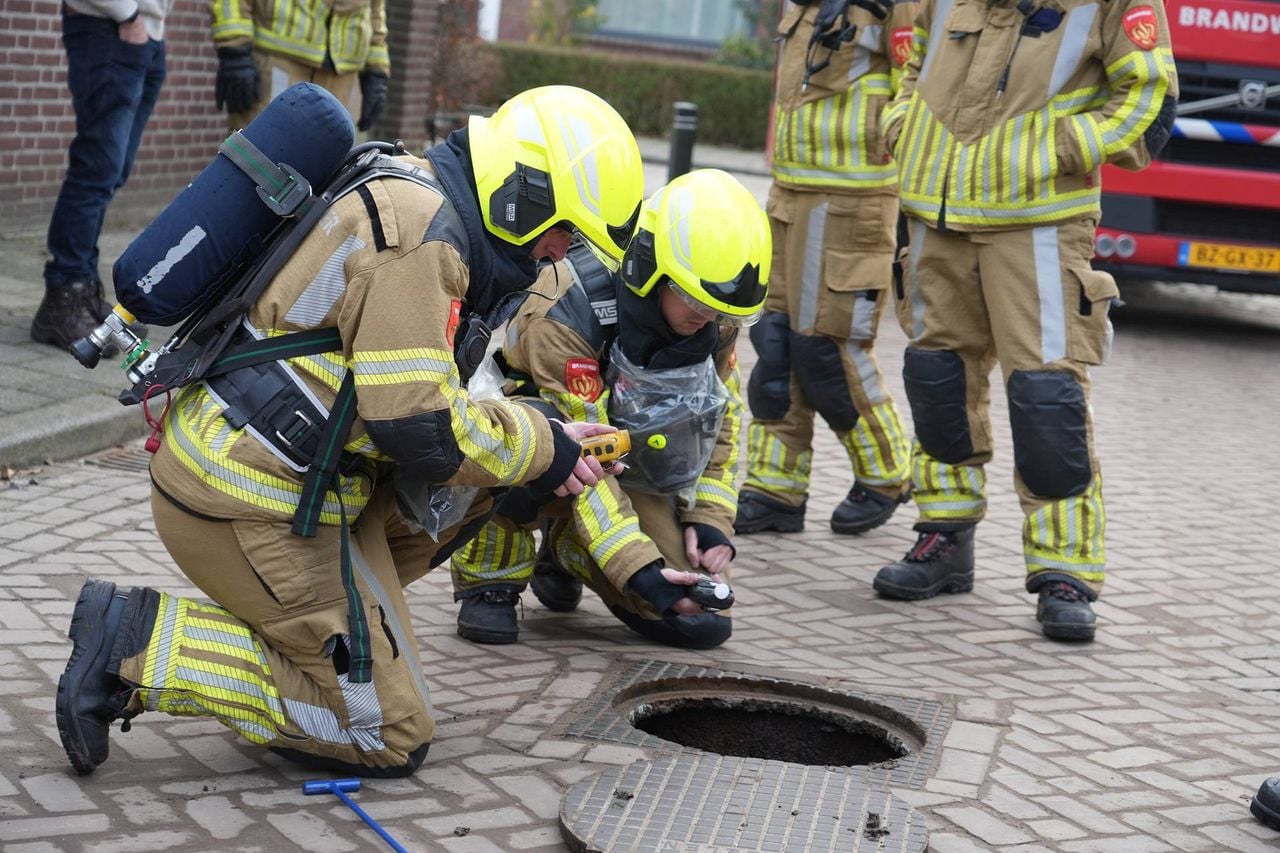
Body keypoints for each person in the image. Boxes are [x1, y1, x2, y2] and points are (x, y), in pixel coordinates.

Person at [53, 85, 645, 778]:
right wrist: (542, 443)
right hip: (248, 498)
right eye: (566, 231)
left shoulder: (426, 195)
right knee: (387, 729)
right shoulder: (423, 240)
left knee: (490, 483)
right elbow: (420, 427)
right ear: (526, 195)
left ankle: (314, 633)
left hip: (287, 480)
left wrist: (546, 437)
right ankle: (136, 644)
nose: (560, 253)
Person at [871, 0, 1178, 641]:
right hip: (934, 215)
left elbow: (1150, 99)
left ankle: (1065, 571)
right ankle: (944, 536)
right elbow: (909, 56)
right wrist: (904, 123)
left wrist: (1060, 147)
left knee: (1046, 397)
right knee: (937, 381)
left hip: (1040, 222)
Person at [450, 169, 770, 649]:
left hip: (636, 463)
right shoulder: (568, 308)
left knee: (698, 619)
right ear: (650, 270)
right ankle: (490, 581)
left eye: (718, 310)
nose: (705, 318)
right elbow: (589, 452)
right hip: (560, 443)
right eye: (691, 299)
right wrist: (636, 568)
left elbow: (721, 421)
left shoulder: (714, 318)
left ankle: (568, 549)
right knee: (526, 441)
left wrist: (710, 521)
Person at [733, 0, 919, 538]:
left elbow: (917, 88)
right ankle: (775, 488)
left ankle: (887, 472)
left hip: (854, 203)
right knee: (774, 341)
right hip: (790, 192)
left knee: (829, 348)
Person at [31, 0, 173, 350]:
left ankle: (84, 290)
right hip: (111, 26)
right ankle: (64, 295)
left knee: (110, 172)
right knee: (96, 170)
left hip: (145, 33)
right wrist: (129, 16)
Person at [211, 0, 389, 132]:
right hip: (278, 62)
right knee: (258, 155)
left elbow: (376, 12)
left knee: (325, 163)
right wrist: (235, 51)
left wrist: (376, 72)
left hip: (341, 74)